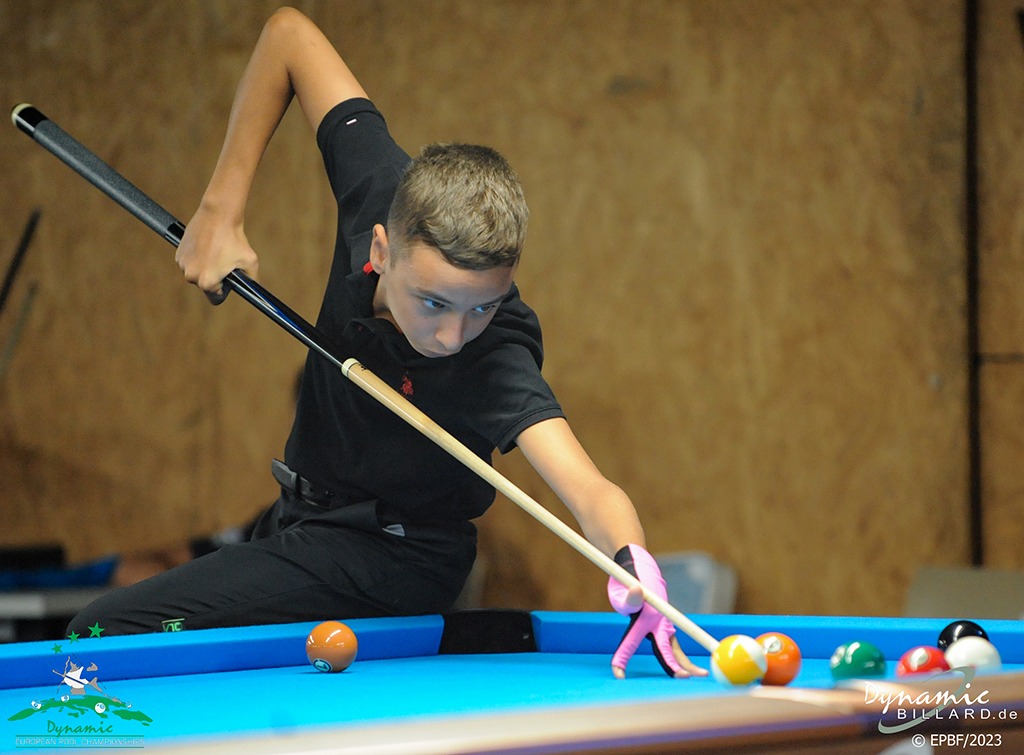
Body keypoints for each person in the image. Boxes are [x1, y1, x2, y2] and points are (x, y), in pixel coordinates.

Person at [67, 7, 705, 680]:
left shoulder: (495, 358)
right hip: (298, 519)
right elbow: (288, 35)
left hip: (398, 558)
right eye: (433, 302)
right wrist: (222, 209)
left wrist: (636, 567)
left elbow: (590, 489)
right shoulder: (380, 190)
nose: (453, 335)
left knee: (101, 630)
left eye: (482, 306)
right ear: (381, 249)